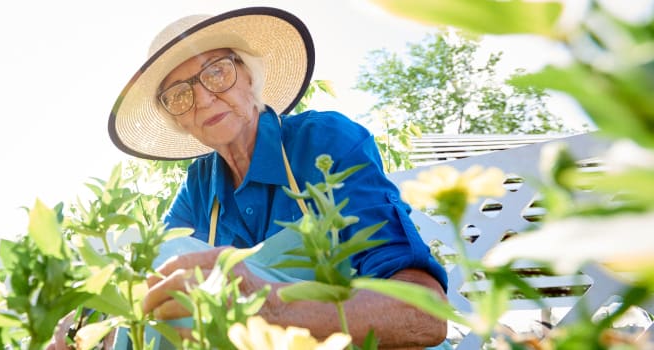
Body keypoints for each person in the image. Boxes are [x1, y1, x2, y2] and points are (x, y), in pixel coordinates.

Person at [105, 7, 448, 349]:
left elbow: (425, 315)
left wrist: (266, 306)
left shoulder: (325, 140)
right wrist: (98, 320)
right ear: (177, 121)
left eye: (217, 72)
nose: (204, 98)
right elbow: (152, 267)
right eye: (179, 94)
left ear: (250, 75)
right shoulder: (198, 186)